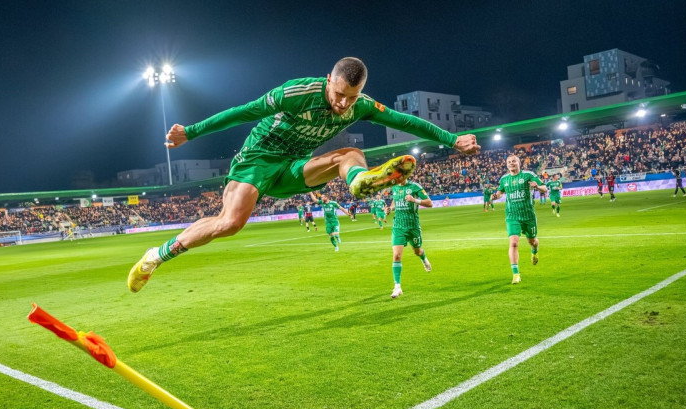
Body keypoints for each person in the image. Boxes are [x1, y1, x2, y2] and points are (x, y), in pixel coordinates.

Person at [127, 57, 479, 292]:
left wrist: (452, 139)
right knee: (230, 223)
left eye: (351, 98)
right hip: (258, 160)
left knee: (351, 154)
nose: (344, 105)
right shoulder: (296, 94)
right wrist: (191, 131)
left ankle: (359, 181)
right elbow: (243, 112)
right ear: (329, 82)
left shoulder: (361, 105)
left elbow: (405, 120)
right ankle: (156, 256)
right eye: (340, 95)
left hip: (296, 166)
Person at [491, 154, 547, 285]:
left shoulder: (528, 175)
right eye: (509, 162)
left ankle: (534, 251)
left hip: (528, 216)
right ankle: (516, 274)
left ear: (519, 163)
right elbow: (500, 193)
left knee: (532, 241)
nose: (511, 163)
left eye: (514, 161)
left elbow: (544, 188)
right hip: (512, 216)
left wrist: (537, 187)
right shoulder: (504, 179)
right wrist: (495, 196)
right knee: (514, 242)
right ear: (506, 164)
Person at [388, 176, 432, 298]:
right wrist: (390, 208)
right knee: (396, 255)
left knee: (417, 251)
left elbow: (430, 203)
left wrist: (414, 200)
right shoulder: (394, 187)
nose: (399, 178)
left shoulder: (415, 187)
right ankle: (397, 286)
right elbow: (395, 200)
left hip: (413, 227)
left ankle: (423, 258)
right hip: (398, 226)